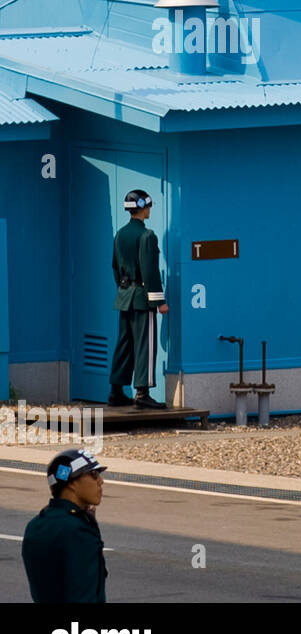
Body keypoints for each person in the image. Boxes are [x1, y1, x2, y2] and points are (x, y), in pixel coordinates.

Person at [22, 449, 109, 603]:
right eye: (94, 475)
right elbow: (84, 593)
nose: (101, 481)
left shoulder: (36, 525)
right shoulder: (78, 532)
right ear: (72, 483)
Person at [108, 189, 168, 410]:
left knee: (124, 344)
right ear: (143, 207)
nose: (150, 210)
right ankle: (142, 392)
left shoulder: (120, 234)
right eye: (149, 206)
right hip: (142, 298)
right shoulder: (147, 235)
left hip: (124, 296)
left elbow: (115, 267)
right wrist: (158, 302)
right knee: (145, 345)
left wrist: (124, 291)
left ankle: (116, 391)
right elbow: (150, 271)